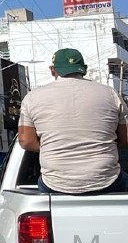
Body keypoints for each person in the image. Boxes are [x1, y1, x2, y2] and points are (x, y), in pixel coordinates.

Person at [18, 48, 128, 195]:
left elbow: (26, 141)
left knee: (42, 183)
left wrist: (53, 147)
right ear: (84, 70)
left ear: (52, 70)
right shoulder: (110, 94)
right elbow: (125, 137)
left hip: (56, 183)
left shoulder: (32, 98)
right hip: (106, 180)